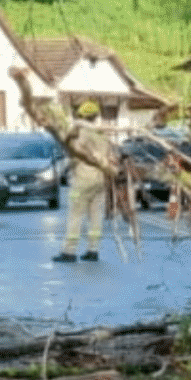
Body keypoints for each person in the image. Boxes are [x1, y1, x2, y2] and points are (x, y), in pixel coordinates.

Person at [54, 99, 117, 263]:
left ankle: (69, 251)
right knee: (96, 215)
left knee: (75, 215)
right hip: (100, 179)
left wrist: (69, 167)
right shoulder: (103, 135)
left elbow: (75, 156)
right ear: (95, 116)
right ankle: (93, 250)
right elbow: (110, 156)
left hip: (82, 179)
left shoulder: (81, 134)